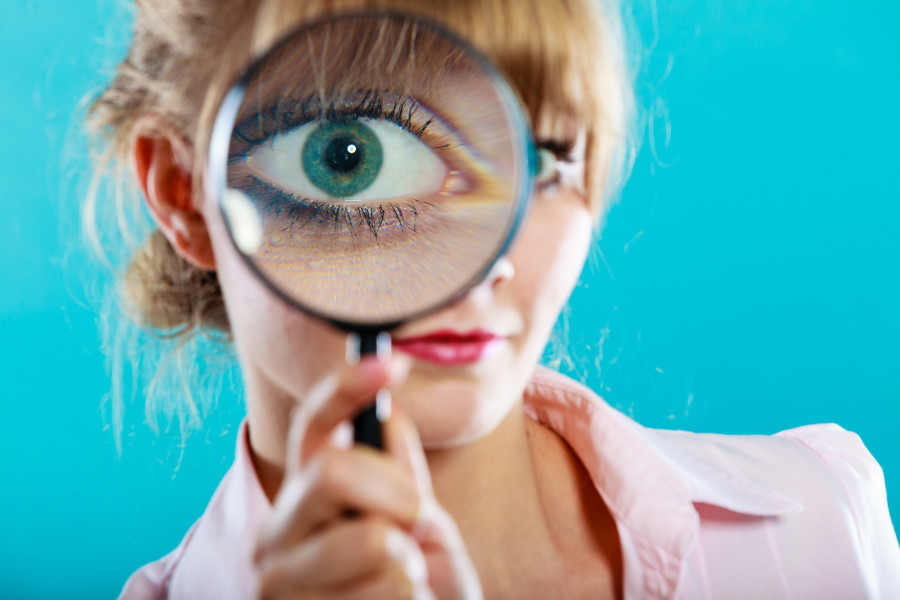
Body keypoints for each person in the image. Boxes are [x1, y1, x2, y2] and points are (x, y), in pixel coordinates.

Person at [86, 0, 900, 598]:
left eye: (544, 159)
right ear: (185, 194)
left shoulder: (823, 526)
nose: (490, 262)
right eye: (351, 155)